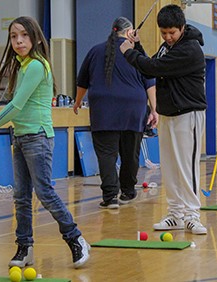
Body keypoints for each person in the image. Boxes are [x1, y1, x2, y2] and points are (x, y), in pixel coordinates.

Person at [0, 16, 90, 269]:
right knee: (21, 197)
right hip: (22, 137)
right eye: (14, 36)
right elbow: (16, 109)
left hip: (38, 137)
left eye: (23, 35)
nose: (18, 40)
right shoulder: (23, 67)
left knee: (44, 192)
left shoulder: (36, 65)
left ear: (35, 38)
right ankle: (24, 247)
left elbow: (16, 106)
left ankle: (75, 238)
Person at [120, 4, 208, 235]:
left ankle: (192, 215)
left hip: (188, 115)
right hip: (168, 114)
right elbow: (152, 68)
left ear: (182, 28)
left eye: (172, 33)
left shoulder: (190, 49)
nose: (168, 37)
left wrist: (129, 51)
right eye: (164, 33)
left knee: (186, 167)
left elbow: (154, 67)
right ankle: (175, 214)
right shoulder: (167, 47)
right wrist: (137, 45)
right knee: (169, 167)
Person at [74, 17, 157, 209]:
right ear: (129, 33)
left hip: (104, 109)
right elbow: (150, 81)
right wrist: (154, 109)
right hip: (133, 108)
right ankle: (127, 191)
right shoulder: (136, 52)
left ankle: (110, 196)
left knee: (106, 154)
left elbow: (82, 81)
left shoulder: (95, 51)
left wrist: (77, 102)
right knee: (130, 153)